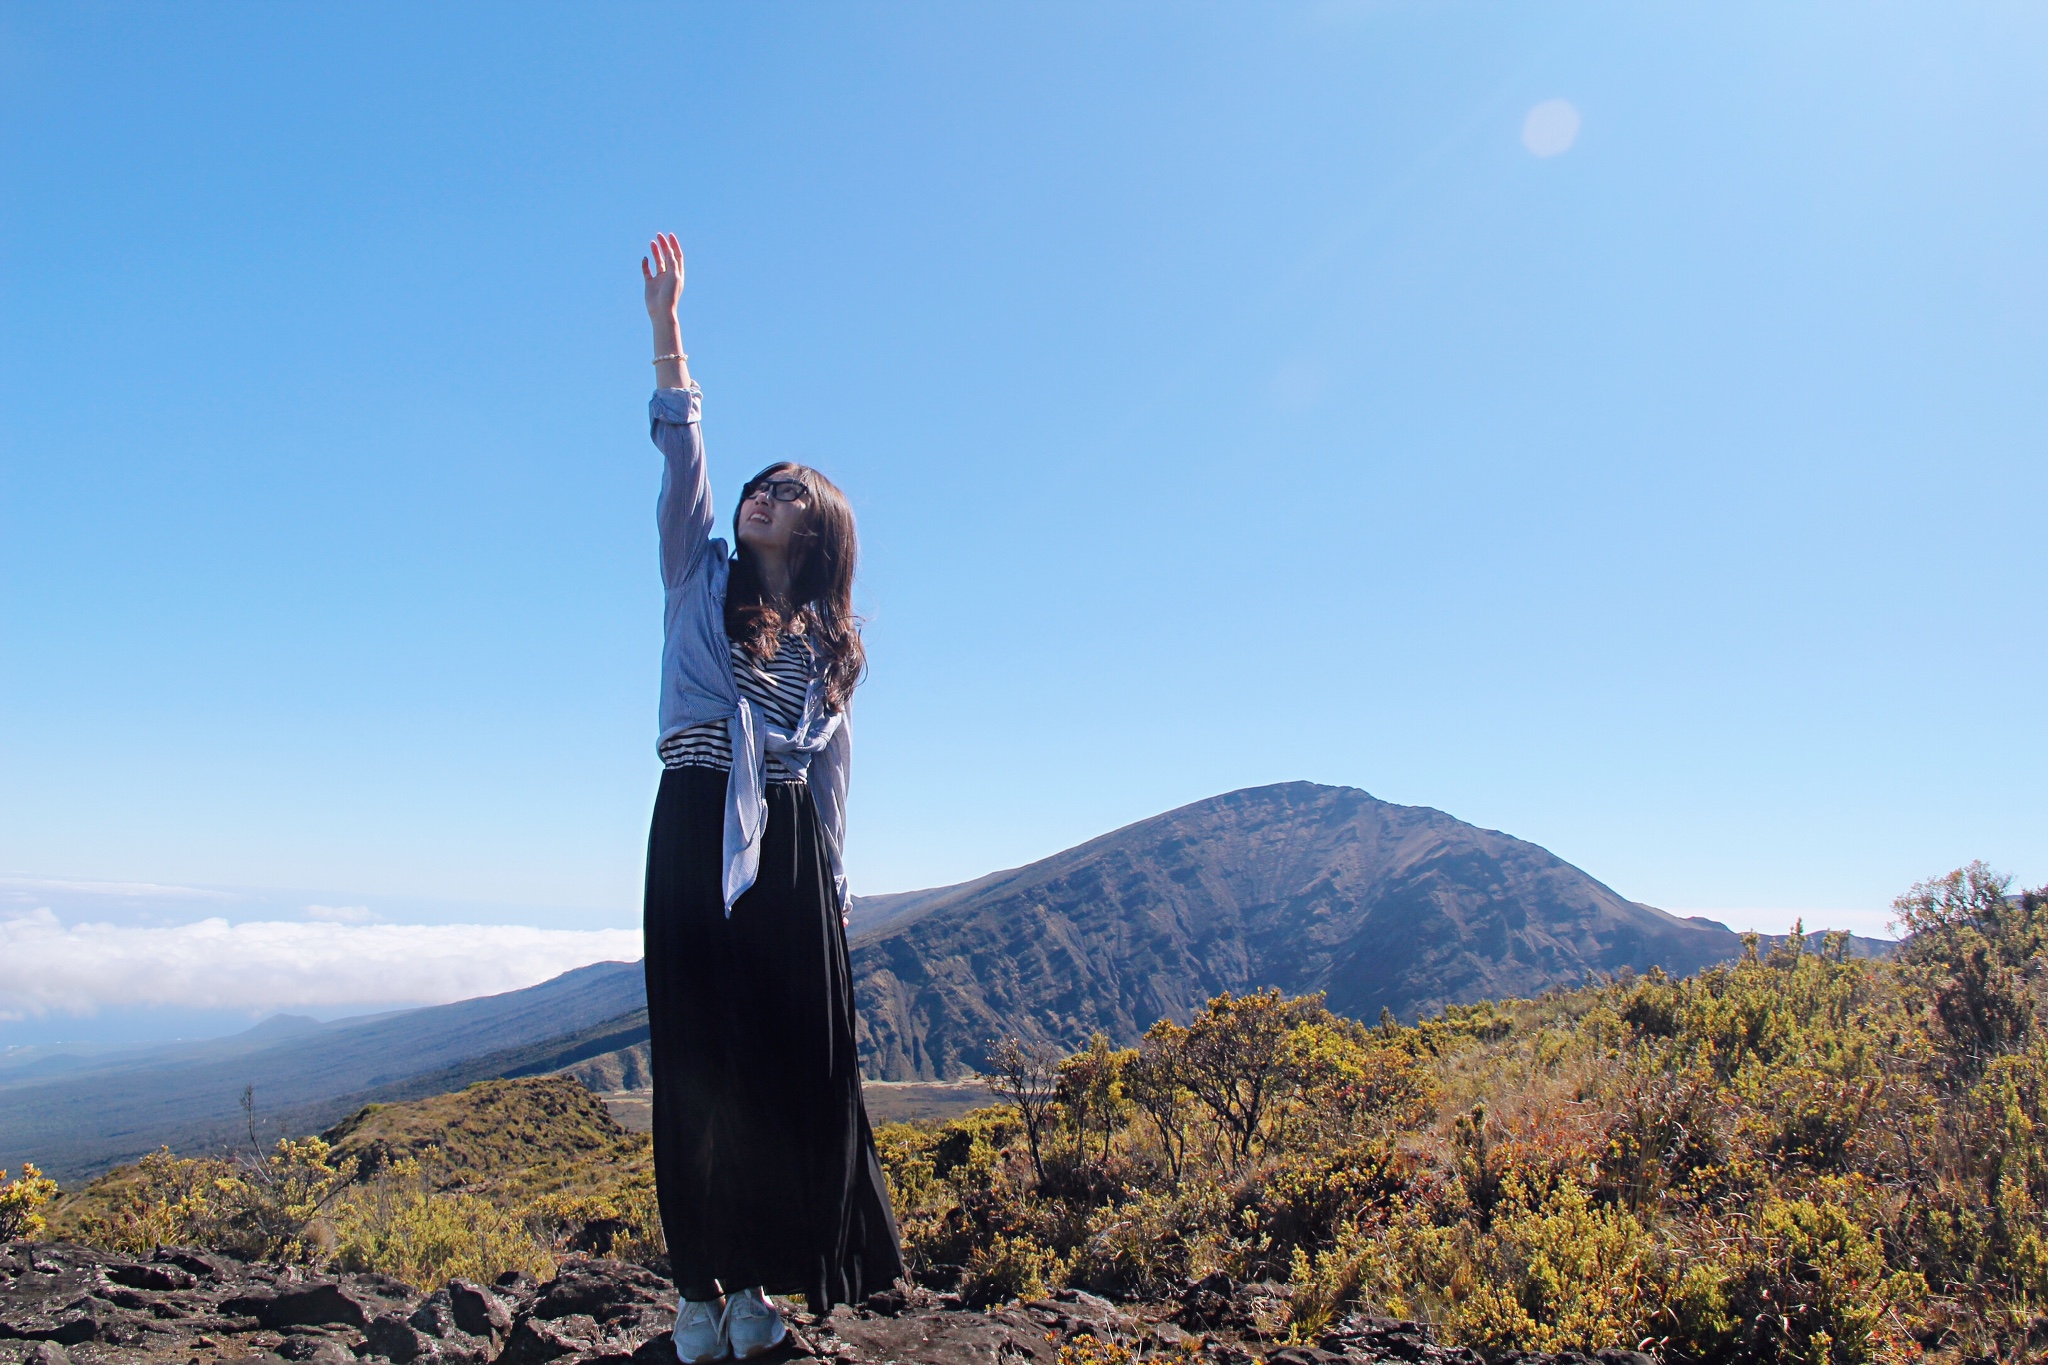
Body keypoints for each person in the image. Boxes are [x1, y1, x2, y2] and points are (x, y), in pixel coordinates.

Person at [637, 233, 904, 1363]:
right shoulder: (696, 574)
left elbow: (830, 770)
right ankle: (696, 1291)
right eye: (757, 486)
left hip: (787, 847)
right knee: (695, 1052)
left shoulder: (835, 641)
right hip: (698, 816)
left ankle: (757, 1282)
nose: (759, 496)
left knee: (777, 1061)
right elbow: (683, 458)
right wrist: (667, 332)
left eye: (785, 491)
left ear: (821, 524)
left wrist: (834, 886)